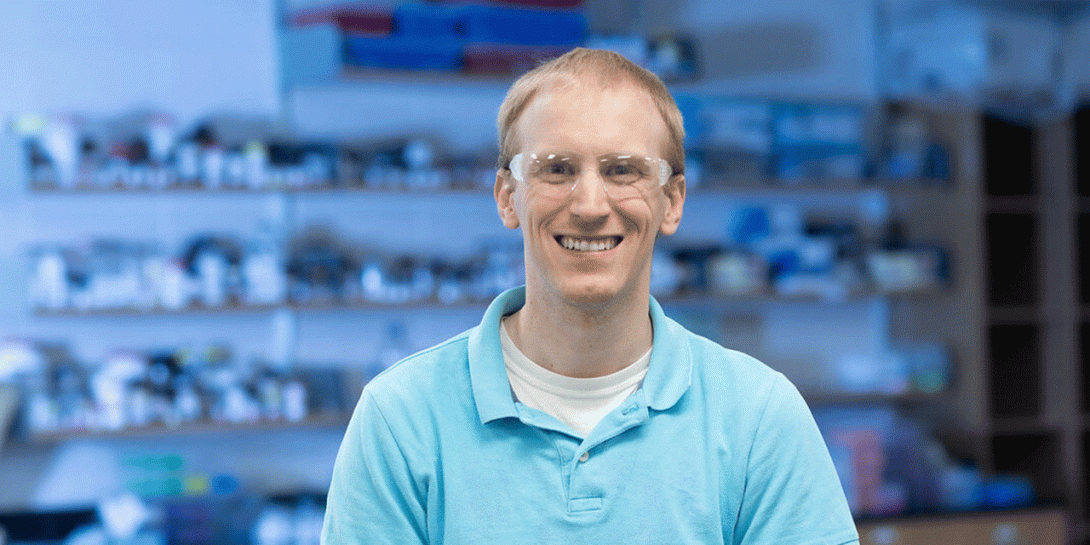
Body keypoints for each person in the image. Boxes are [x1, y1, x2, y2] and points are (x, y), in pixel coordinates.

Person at [322, 48, 859, 545]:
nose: (590, 204)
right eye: (557, 169)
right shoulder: (402, 420)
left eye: (622, 170)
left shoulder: (758, 417)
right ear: (509, 197)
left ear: (672, 201)